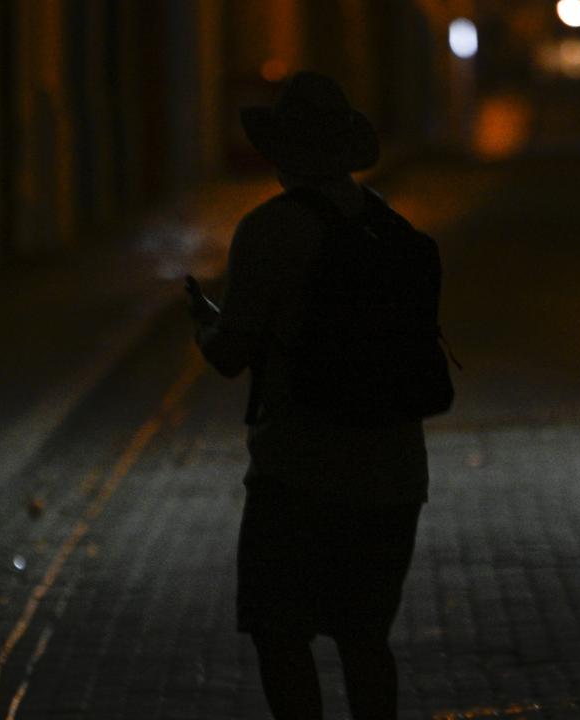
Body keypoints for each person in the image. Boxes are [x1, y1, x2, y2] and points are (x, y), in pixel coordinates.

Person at [185, 72, 433, 720]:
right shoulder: (388, 225)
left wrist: (204, 324)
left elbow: (231, 354)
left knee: (280, 631)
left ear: (284, 153)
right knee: (365, 642)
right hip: (395, 471)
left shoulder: (267, 230)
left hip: (299, 470)